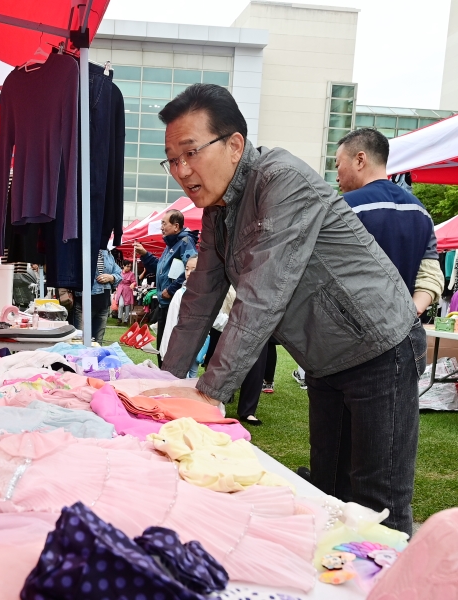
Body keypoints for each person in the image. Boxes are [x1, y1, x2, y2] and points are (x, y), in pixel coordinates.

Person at [158, 83, 423, 536]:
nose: (181, 170)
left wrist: (208, 394)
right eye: (172, 159)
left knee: (379, 507)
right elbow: (200, 299)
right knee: (328, 494)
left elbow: (262, 292)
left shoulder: (281, 179)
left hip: (381, 349)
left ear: (235, 144)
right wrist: (161, 385)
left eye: (191, 152)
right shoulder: (218, 213)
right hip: (324, 361)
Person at [336, 128, 444, 316]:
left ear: (360, 160)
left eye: (338, 165)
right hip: (400, 333)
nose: (337, 176)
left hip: (349, 332)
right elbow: (431, 276)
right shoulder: (421, 212)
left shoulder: (342, 208)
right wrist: (410, 312)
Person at [133, 209, 198, 345]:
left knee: (169, 345)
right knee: (162, 344)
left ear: (176, 226)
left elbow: (192, 270)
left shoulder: (186, 242)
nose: (161, 227)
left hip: (174, 303)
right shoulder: (170, 245)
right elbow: (159, 269)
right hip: (165, 302)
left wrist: (171, 290)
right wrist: (145, 254)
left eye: (164, 223)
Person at [159, 256, 201, 378]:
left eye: (194, 269)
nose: (188, 273)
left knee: (192, 377)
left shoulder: (206, 294)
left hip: (197, 346)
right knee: (182, 379)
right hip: (181, 347)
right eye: (187, 269)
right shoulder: (180, 294)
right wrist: (165, 350)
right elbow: (171, 323)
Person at [73, 248, 122, 345]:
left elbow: (119, 273)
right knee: (81, 342)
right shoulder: (82, 248)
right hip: (84, 302)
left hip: (103, 303)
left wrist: (112, 277)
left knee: (98, 343)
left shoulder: (107, 253)